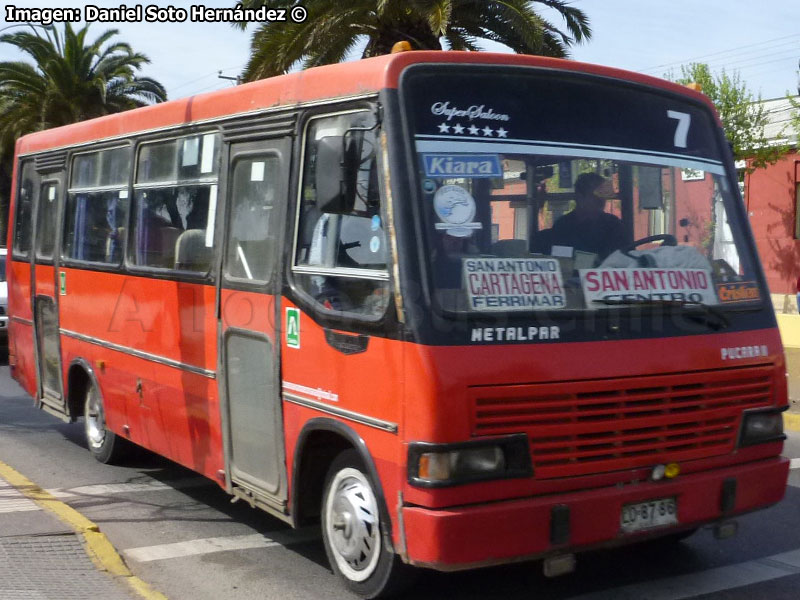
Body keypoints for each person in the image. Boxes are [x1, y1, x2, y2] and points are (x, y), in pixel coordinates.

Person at [550, 172, 628, 259]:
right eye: (596, 196)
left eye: (603, 195)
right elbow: (561, 261)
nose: (601, 200)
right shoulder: (563, 226)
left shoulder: (613, 224)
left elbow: (626, 258)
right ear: (580, 198)